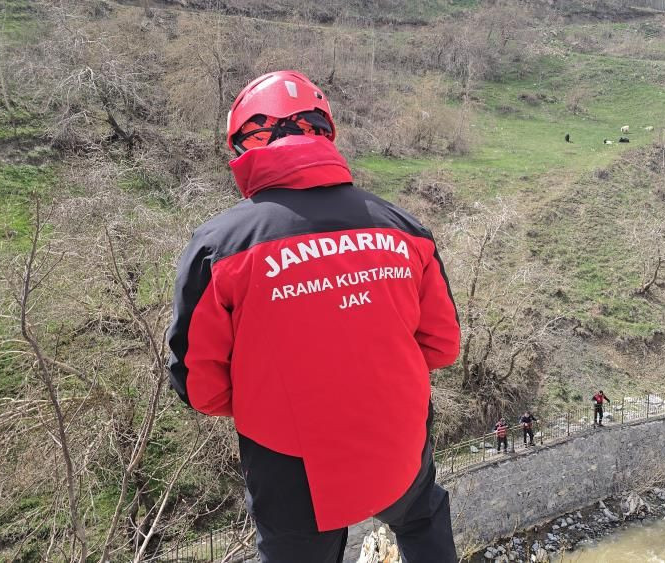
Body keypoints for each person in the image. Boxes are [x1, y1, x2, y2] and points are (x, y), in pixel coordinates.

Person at [167, 71, 461, 563]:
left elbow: (200, 388)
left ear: (246, 146)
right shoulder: (406, 230)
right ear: (326, 134)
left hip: (292, 463)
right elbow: (442, 346)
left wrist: (273, 397)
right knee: (422, 517)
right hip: (399, 440)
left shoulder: (219, 248)